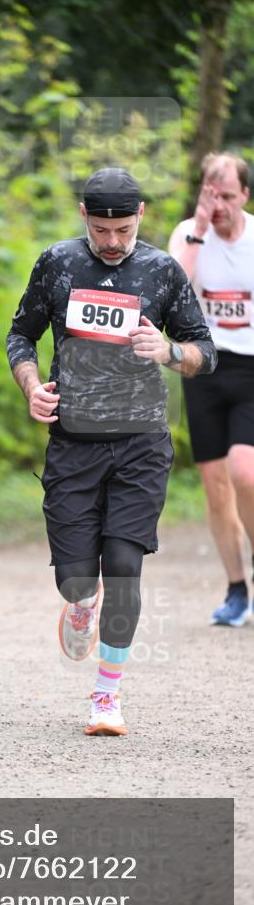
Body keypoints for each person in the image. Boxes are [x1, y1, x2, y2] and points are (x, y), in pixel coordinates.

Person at [7, 167, 216, 736]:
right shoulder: (58, 263)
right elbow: (20, 335)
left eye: (123, 229)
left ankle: (106, 696)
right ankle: (79, 605)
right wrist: (32, 387)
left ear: (140, 215)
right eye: (102, 229)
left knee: (123, 569)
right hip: (72, 444)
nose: (113, 241)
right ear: (84, 217)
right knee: (79, 580)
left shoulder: (161, 270)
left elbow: (206, 351)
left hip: (141, 444)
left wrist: (170, 352)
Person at [169, 153, 254, 627]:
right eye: (209, 193)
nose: (217, 203)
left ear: (244, 194)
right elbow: (172, 289)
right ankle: (237, 589)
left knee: (246, 472)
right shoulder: (188, 234)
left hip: (251, 367)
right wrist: (199, 231)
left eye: (226, 195)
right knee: (215, 485)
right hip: (203, 364)